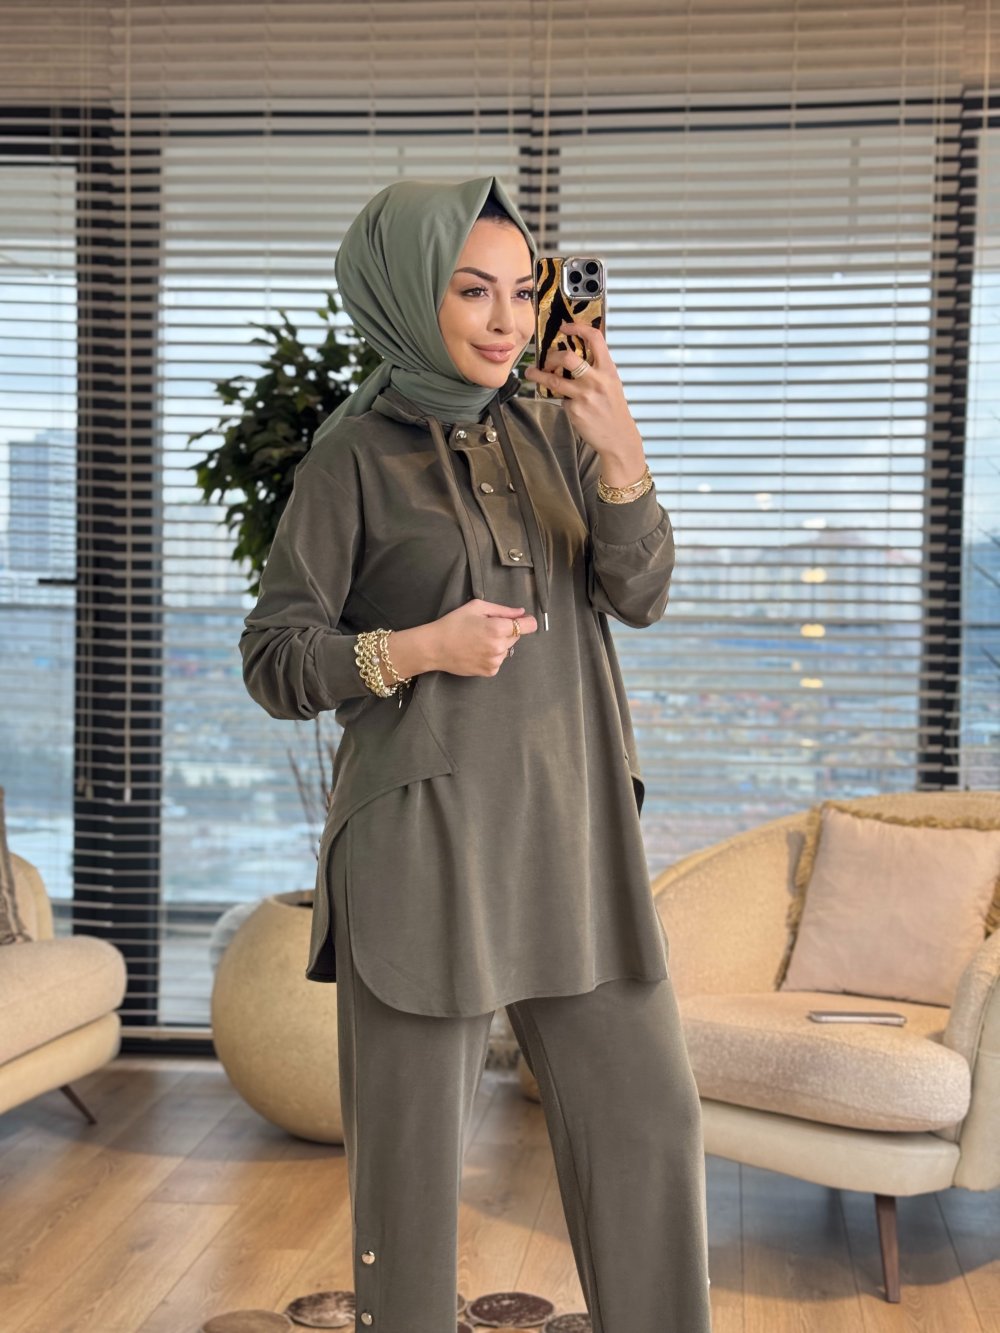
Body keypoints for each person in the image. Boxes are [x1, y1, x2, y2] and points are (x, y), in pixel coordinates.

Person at [239, 175, 713, 1333]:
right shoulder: (351, 460)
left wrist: (619, 450)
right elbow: (274, 658)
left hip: (574, 835)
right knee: (407, 1179)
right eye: (471, 291)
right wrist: (416, 648)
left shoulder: (556, 431)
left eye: (519, 290)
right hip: (423, 847)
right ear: (409, 293)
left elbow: (641, 593)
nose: (506, 320)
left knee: (649, 1125)